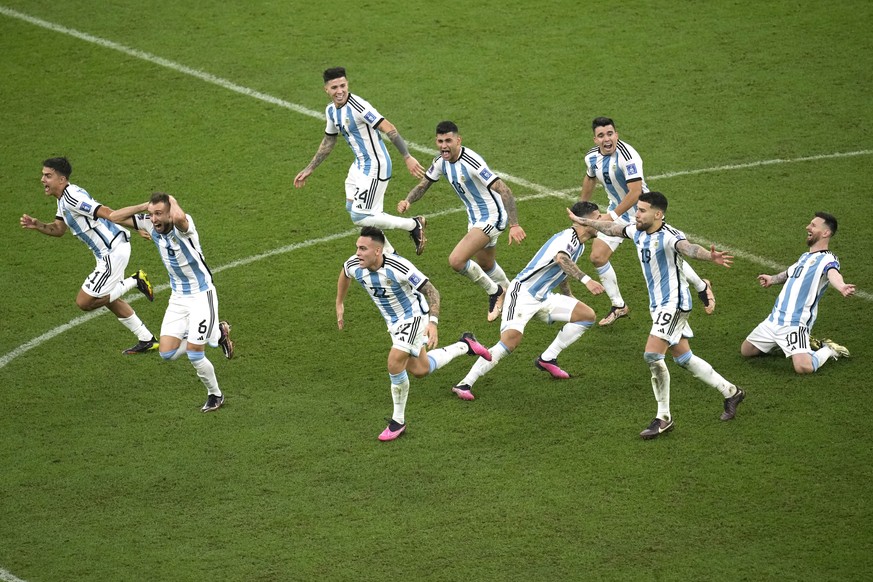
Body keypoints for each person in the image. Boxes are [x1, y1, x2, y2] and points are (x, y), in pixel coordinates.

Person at [568, 191, 744, 440]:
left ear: (658, 214)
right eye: (637, 209)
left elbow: (689, 248)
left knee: (652, 354)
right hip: (659, 305)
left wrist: (709, 256)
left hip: (673, 305)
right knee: (683, 357)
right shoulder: (638, 231)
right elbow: (612, 229)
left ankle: (663, 417)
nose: (637, 214)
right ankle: (732, 392)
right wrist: (587, 222)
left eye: (642, 210)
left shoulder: (669, 237)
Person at [336, 227, 492, 441]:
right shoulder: (355, 264)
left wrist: (433, 322)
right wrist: (340, 303)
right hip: (393, 324)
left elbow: (432, 291)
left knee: (394, 362)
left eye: (363, 248)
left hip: (415, 317)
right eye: (357, 248)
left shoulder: (399, 266)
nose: (358, 253)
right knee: (420, 369)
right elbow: (345, 273)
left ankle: (397, 421)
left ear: (378, 251)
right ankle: (465, 344)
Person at [451, 201, 606, 400]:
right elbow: (561, 259)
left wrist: (568, 296)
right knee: (509, 342)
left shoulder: (579, 245)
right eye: (598, 217)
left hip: (544, 297)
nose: (601, 221)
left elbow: (561, 270)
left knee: (586, 316)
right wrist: (586, 280)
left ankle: (547, 359)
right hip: (522, 294)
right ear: (584, 221)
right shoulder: (568, 238)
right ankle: (465, 383)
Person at [579, 117, 715, 326]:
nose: (607, 139)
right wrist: (582, 207)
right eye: (601, 135)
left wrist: (612, 216)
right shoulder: (591, 157)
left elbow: (635, 193)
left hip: (644, 214)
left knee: (665, 256)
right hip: (618, 210)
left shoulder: (628, 156)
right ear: (595, 139)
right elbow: (589, 178)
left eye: (610, 133)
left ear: (616, 134)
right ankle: (619, 306)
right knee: (597, 257)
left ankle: (701, 286)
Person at [109, 193, 234, 413]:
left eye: (159, 214)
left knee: (196, 352)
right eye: (151, 214)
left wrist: (171, 199)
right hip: (178, 298)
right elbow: (113, 216)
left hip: (201, 294)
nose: (154, 219)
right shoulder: (149, 225)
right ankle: (217, 333)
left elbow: (178, 218)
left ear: (169, 212)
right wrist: (143, 207)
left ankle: (215, 394)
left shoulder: (184, 228)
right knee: (167, 353)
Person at [20, 157, 158, 354]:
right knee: (107, 298)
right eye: (43, 175)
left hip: (112, 252)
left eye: (47, 176)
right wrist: (38, 225)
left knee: (85, 302)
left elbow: (109, 214)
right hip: (109, 251)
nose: (42, 180)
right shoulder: (64, 198)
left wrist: (143, 211)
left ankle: (135, 281)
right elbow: (59, 229)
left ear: (62, 179)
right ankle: (147, 339)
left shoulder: (72, 198)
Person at [399, 120, 526, 322]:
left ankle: (496, 292)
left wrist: (514, 224)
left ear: (458, 140)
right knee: (486, 264)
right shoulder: (441, 161)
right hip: (474, 219)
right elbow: (424, 185)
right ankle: (513, 294)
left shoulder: (472, 162)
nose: (443, 146)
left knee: (457, 260)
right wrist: (408, 200)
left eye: (448, 140)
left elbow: (505, 190)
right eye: (440, 141)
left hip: (492, 218)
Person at [294, 66, 428, 256]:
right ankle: (391, 256)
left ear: (347, 84)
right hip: (359, 166)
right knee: (359, 211)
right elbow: (329, 140)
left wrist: (407, 157)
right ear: (326, 89)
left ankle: (412, 224)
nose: (339, 91)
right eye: (334, 87)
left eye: (342, 85)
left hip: (376, 166)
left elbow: (389, 128)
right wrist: (310, 168)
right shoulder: (331, 111)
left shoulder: (359, 107)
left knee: (360, 216)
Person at [741, 212, 854, 373]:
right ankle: (787, 345)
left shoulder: (828, 259)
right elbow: (790, 273)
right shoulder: (805, 257)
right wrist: (772, 279)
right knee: (747, 351)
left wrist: (841, 286)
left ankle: (829, 349)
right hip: (774, 320)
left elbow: (832, 273)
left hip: (795, 323)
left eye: (813, 225)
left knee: (804, 367)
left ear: (826, 233)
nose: (808, 227)